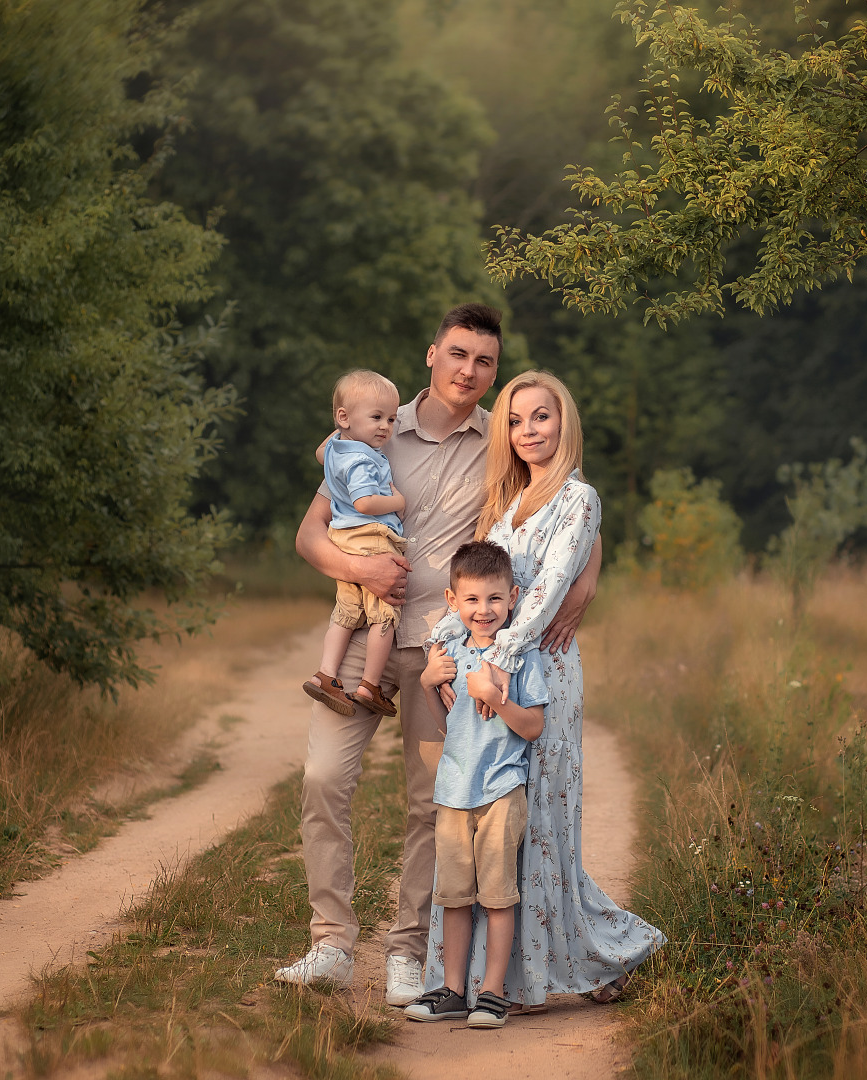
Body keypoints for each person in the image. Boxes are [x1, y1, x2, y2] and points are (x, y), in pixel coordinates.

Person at [279, 305, 605, 1007]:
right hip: (368, 636)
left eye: (484, 361)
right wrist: (360, 570)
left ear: (494, 370)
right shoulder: (374, 423)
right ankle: (331, 943)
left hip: (446, 651)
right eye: (458, 354)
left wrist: (586, 584)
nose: (469, 371)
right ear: (431, 355)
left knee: (433, 804)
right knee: (323, 781)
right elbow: (309, 535)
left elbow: (569, 502)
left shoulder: (501, 436)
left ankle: (405, 951)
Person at [423, 370, 664, 1009]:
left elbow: (546, 593)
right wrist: (444, 649)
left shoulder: (578, 499)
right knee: (493, 828)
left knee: (542, 824)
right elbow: (483, 589)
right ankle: (488, 977)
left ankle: (583, 960)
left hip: (540, 672)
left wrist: (498, 661)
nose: (529, 431)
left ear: (565, 423)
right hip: (484, 671)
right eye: (516, 419)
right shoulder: (506, 503)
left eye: (542, 417)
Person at [403, 541, 548, 1029]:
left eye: (494, 598)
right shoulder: (447, 656)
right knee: (455, 894)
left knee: (498, 894)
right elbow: (446, 725)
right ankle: (451, 989)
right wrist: (427, 683)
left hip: (501, 789)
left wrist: (493, 695)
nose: (483, 610)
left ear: (513, 598)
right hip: (453, 791)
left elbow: (532, 727)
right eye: (472, 600)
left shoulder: (521, 657)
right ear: (452, 600)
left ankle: (492, 992)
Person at [301, 370, 407, 718]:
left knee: (346, 612)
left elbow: (319, 452)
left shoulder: (334, 448)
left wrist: (342, 431)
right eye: (376, 417)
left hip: (343, 540)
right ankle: (370, 685)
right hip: (370, 537)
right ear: (344, 417)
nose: (385, 427)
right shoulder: (363, 458)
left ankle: (326, 676)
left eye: (390, 419)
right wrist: (397, 502)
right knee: (383, 615)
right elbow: (365, 503)